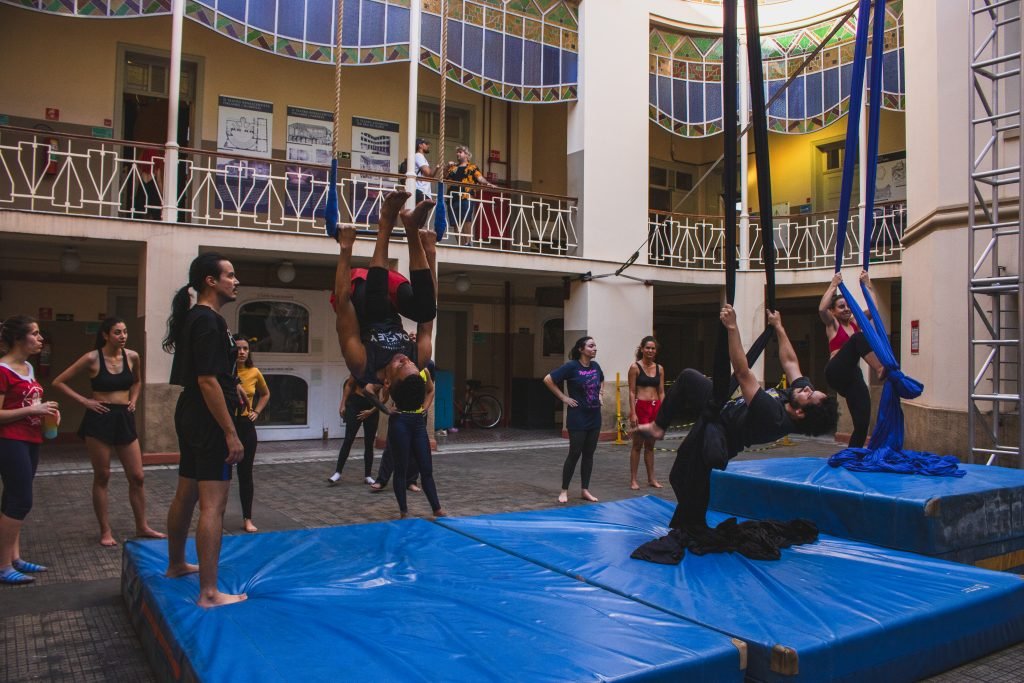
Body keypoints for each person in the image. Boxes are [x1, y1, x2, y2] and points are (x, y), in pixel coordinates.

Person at [638, 306, 837, 528]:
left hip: (721, 432)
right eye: (811, 389)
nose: (807, 388)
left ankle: (691, 521)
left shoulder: (774, 416)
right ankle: (659, 428)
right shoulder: (796, 396)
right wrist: (778, 327)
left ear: (800, 412)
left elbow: (743, 373)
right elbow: (791, 363)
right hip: (722, 407)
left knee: (684, 475)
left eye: (809, 394)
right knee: (688, 378)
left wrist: (732, 328)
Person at [162, 253, 246, 608]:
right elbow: (207, 379)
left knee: (187, 491)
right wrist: (230, 431)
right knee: (214, 503)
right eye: (229, 275)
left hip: (192, 412)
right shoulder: (208, 321)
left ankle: (177, 563)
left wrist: (234, 384)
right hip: (209, 417)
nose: (235, 280)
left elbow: (213, 373)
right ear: (211, 281)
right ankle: (210, 592)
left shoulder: (200, 318)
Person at [51, 317, 164, 546]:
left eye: (124, 332)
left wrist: (133, 400)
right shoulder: (92, 358)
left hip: (123, 417)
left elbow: (137, 382)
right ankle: (105, 530)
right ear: (105, 335)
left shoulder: (132, 356)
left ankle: (142, 526)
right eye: (117, 332)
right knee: (103, 476)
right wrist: (85, 401)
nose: (122, 336)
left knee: (137, 476)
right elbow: (58, 381)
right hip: (99, 417)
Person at [0, 316, 59, 585]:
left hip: (30, 438)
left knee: (13, 497)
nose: (40, 338)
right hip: (10, 439)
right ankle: (3, 565)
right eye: (34, 334)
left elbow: (31, 403)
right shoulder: (3, 370)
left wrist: (47, 414)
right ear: (18, 339)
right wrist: (33, 409)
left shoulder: (27, 367)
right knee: (21, 500)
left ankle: (14, 557)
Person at [819, 271, 886, 448]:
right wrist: (834, 284)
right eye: (841, 306)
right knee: (858, 339)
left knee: (862, 423)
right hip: (835, 371)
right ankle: (879, 368)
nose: (847, 308)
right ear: (833, 311)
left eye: (848, 305)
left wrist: (868, 285)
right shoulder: (833, 324)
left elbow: (874, 310)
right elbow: (821, 309)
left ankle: (853, 454)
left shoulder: (855, 322)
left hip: (852, 377)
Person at [544, 336, 604, 505]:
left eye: (595, 346)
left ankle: (585, 489)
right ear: (581, 349)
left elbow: (601, 379)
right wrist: (563, 397)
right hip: (577, 418)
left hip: (594, 416)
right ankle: (564, 490)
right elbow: (548, 379)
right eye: (591, 346)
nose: (594, 348)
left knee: (589, 454)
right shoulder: (571, 366)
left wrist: (600, 394)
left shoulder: (596, 366)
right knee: (575, 453)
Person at [232, 334, 269, 533]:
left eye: (245, 348)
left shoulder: (254, 372)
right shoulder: (225, 372)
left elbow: (266, 393)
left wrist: (256, 412)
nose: (242, 352)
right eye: (238, 348)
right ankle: (216, 515)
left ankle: (247, 518)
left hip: (246, 425)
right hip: (228, 425)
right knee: (222, 475)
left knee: (245, 474)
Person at [627, 336, 664, 490]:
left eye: (653, 348)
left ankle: (651, 478)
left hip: (655, 406)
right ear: (641, 349)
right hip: (641, 407)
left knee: (650, 445)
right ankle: (634, 480)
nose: (650, 351)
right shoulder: (635, 367)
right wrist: (633, 413)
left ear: (656, 351)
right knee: (637, 445)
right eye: (647, 348)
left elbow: (661, 391)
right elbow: (631, 391)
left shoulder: (660, 368)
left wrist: (664, 409)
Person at [329, 376, 379, 486]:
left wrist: (370, 412)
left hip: (372, 406)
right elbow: (349, 385)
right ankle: (337, 472)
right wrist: (343, 404)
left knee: (369, 442)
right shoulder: (360, 368)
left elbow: (384, 398)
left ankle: (368, 476)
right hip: (356, 404)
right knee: (348, 439)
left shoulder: (380, 372)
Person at [443, 145, 495, 233]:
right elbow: (444, 177)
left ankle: (467, 242)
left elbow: (480, 178)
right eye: (457, 152)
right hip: (453, 197)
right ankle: (460, 244)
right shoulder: (453, 167)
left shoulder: (472, 167)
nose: (457, 154)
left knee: (466, 220)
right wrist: (447, 167)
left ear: (467, 155)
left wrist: (488, 183)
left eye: (460, 152)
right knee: (455, 222)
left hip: (467, 197)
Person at [412, 138, 436, 203]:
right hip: (420, 190)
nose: (428, 146)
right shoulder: (418, 156)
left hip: (423, 191)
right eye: (426, 144)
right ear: (420, 145)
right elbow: (428, 173)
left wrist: (437, 168)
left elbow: (430, 176)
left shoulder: (420, 157)